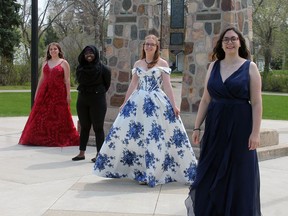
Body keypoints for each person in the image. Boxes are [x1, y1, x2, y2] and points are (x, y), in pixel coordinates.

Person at [93, 34, 197, 187]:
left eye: (152, 45)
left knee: (155, 137)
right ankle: (139, 170)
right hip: (138, 101)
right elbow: (133, 84)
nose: (148, 46)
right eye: (146, 44)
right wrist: (124, 103)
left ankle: (156, 171)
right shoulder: (138, 63)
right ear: (143, 46)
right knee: (137, 136)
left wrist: (174, 105)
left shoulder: (162, 63)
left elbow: (167, 86)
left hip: (156, 102)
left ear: (156, 48)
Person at [185, 27, 262, 215]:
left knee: (239, 174)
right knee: (210, 171)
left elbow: (257, 102)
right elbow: (205, 99)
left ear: (240, 42)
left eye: (233, 39)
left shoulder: (250, 67)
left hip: (240, 129)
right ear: (221, 44)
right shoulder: (213, 66)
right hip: (215, 127)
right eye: (225, 39)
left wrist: (255, 132)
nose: (229, 42)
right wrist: (196, 127)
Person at [19, 42, 79, 147]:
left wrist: (68, 94)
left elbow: (67, 80)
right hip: (45, 92)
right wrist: (37, 92)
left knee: (59, 115)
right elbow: (42, 78)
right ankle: (40, 138)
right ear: (49, 51)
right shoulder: (45, 62)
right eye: (51, 49)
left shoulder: (64, 63)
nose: (53, 51)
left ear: (59, 50)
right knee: (41, 115)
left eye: (55, 49)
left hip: (59, 92)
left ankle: (56, 138)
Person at [72, 45, 111, 162]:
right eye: (86, 53)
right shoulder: (80, 68)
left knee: (98, 127)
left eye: (91, 53)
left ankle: (100, 154)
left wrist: (98, 91)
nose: (89, 55)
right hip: (83, 99)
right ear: (83, 55)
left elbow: (107, 84)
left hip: (98, 100)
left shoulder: (104, 69)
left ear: (96, 54)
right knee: (84, 127)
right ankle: (81, 153)